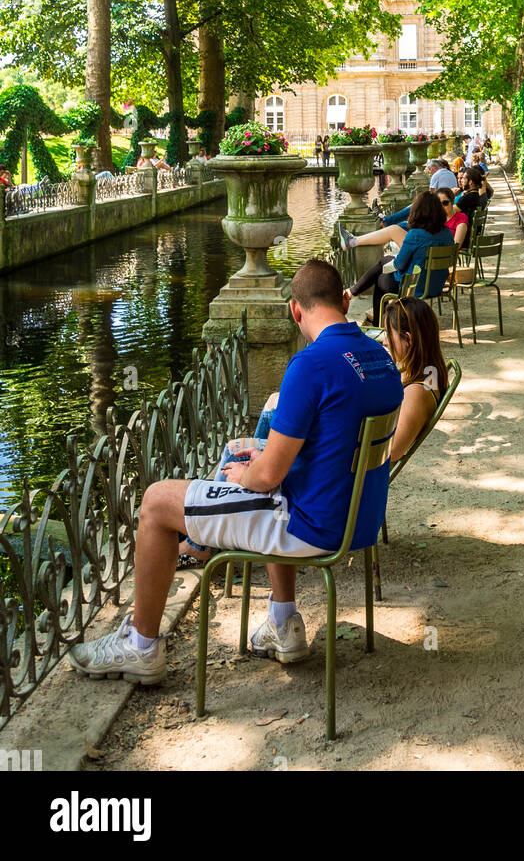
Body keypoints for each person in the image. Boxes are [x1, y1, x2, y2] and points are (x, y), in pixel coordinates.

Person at [69, 258, 403, 682]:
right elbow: (329, 444)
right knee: (249, 456)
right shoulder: (380, 357)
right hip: (360, 519)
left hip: (312, 527)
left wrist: (240, 477)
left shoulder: (311, 364)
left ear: (295, 310)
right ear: (343, 301)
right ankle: (283, 624)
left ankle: (140, 646)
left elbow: (266, 478)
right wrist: (257, 461)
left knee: (156, 502)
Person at [346, 191, 454, 325]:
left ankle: (377, 324)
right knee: (384, 262)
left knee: (380, 278)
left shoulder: (414, 235)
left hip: (415, 287)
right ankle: (353, 292)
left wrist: (389, 265)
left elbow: (399, 265)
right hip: (436, 286)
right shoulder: (447, 234)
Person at [382, 297, 448, 462]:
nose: (385, 342)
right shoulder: (429, 370)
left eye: (389, 335)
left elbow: (392, 452)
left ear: (408, 339)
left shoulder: (417, 391)